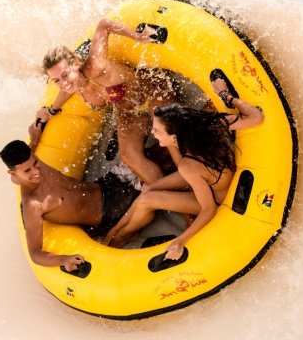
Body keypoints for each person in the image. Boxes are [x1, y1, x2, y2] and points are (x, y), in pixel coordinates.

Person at [102, 78, 265, 260]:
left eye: (157, 131)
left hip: (216, 197)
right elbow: (257, 117)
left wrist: (181, 240)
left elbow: (208, 209)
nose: (153, 135)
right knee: (148, 189)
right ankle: (114, 232)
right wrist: (225, 95)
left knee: (146, 200)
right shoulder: (209, 125)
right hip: (207, 176)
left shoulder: (189, 166)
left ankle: (118, 239)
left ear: (173, 137)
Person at [30, 19, 176, 185]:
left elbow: (104, 25)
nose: (62, 83)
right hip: (129, 112)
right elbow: (65, 91)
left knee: (168, 132)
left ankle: (190, 178)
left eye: (65, 75)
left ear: (76, 64)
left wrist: (137, 36)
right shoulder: (73, 86)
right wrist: (51, 111)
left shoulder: (96, 67)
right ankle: (169, 192)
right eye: (56, 80)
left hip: (151, 91)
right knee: (129, 156)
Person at [0, 139, 140, 271]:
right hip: (109, 210)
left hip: (104, 183)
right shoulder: (33, 205)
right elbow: (35, 254)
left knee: (148, 156)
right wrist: (63, 260)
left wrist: (37, 131)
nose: (36, 172)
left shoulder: (31, 163)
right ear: (13, 173)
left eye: (35, 163)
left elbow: (31, 149)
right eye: (27, 171)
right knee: (150, 178)